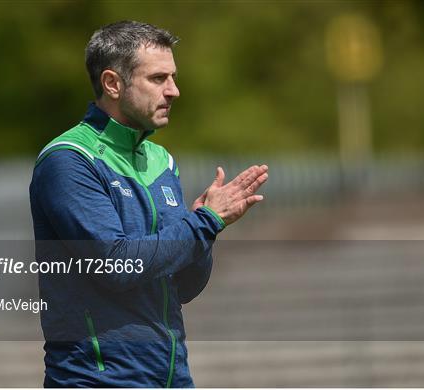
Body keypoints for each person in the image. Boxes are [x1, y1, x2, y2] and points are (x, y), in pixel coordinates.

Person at [29, 20, 268, 388]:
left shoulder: (161, 160)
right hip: (96, 380)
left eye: (172, 77)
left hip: (172, 378)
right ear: (112, 83)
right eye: (158, 79)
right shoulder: (69, 159)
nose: (173, 90)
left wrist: (207, 230)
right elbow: (116, 264)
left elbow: (183, 287)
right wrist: (203, 223)